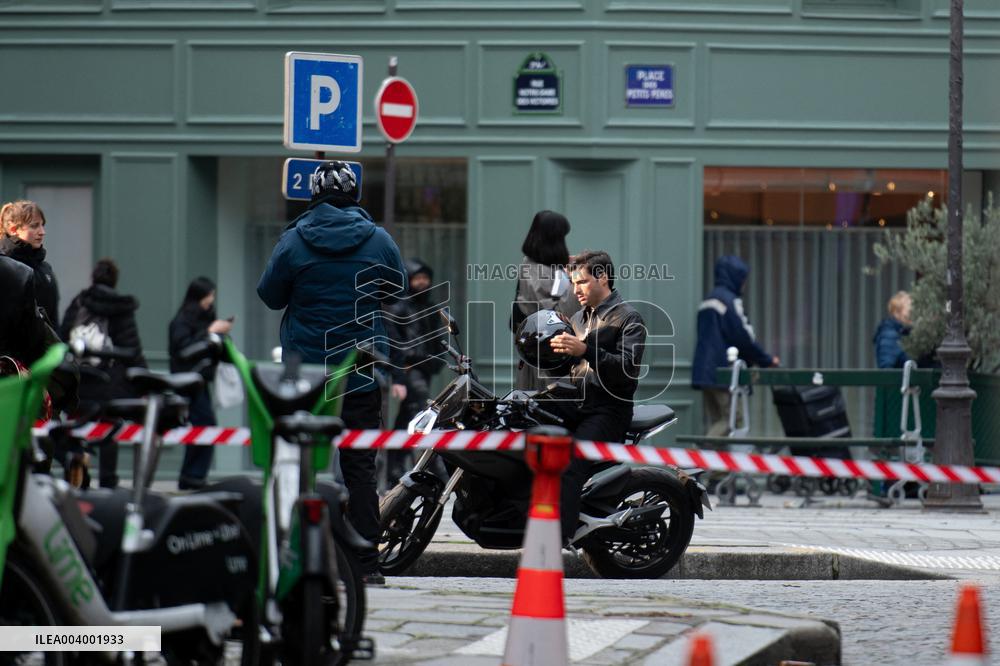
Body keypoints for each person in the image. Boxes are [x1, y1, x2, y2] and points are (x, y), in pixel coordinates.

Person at [257, 160, 406, 584]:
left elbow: (270, 295)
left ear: (314, 195)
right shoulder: (378, 240)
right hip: (358, 371)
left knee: (298, 463)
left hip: (306, 375)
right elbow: (396, 289)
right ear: (354, 194)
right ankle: (365, 566)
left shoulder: (293, 241)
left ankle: (294, 556)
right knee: (360, 469)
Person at [540, 249, 646, 541]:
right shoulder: (577, 318)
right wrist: (545, 353)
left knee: (570, 465)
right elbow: (567, 368)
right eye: (573, 283)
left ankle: (558, 540)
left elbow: (626, 370)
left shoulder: (629, 318)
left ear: (602, 278)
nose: (575, 289)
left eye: (581, 282)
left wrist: (585, 350)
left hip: (608, 410)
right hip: (576, 404)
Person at [61, 258, 147, 488]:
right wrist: (145, 383)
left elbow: (63, 336)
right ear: (115, 280)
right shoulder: (121, 307)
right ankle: (108, 481)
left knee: (77, 426)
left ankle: (77, 473)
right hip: (109, 382)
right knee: (109, 427)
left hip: (80, 380)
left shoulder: (79, 302)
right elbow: (132, 350)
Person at [691, 255, 779, 438]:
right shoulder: (729, 301)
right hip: (723, 371)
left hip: (705, 371)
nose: (744, 284)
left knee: (719, 420)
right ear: (735, 277)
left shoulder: (708, 300)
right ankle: (698, 453)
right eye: (743, 279)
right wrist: (767, 360)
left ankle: (710, 458)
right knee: (732, 420)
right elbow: (743, 337)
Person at [383, 258, 448, 486]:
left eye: (425, 278)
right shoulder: (399, 306)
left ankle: (395, 469)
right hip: (410, 368)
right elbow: (393, 339)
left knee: (408, 417)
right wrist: (402, 363)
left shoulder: (430, 307)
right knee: (419, 414)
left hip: (424, 367)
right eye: (417, 278)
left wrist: (438, 359)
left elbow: (437, 337)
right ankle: (434, 468)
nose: (422, 282)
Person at [169, 276, 233, 490]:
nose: (211, 300)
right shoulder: (182, 321)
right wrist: (210, 333)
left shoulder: (206, 318)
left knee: (202, 427)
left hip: (201, 381)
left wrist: (220, 336)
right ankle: (192, 476)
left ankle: (192, 475)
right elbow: (183, 351)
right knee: (203, 426)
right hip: (187, 382)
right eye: (209, 295)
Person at [513, 210, 581, 390]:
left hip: (541, 352)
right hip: (546, 356)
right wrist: (576, 279)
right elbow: (557, 314)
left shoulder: (534, 265)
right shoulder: (537, 270)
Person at [1, 200, 60, 329]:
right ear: (14, 229)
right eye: (34, 226)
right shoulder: (4, 266)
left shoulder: (45, 269)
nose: (42, 232)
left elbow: (53, 320)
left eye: (42, 225)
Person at [874, 291, 912, 369]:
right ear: (896, 313)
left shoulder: (905, 333)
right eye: (910, 311)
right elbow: (886, 368)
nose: (913, 315)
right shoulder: (889, 335)